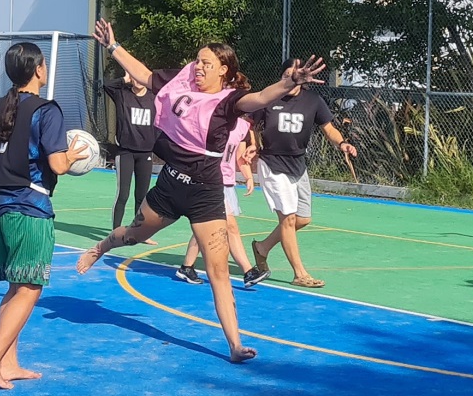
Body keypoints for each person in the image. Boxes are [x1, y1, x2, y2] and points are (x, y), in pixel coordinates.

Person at [75, 20, 326, 363]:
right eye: (197, 61)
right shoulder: (180, 83)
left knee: (219, 272)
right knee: (132, 235)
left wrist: (287, 83)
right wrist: (113, 47)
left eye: (207, 63)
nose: (199, 67)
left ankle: (235, 345)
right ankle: (102, 246)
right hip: (171, 185)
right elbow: (145, 75)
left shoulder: (229, 102)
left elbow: (260, 98)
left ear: (223, 70)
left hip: (206, 193)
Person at [0, 43, 88, 389]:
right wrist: (73, 156)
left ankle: (8, 362)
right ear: (39, 69)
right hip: (29, 207)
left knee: (15, 287)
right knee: (30, 287)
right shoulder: (47, 110)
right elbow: (56, 164)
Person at [249, 59, 357, 288]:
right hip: (272, 164)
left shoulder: (313, 101)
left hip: (298, 165)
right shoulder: (270, 99)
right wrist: (250, 145)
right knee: (287, 219)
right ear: (282, 78)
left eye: (295, 73)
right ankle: (300, 273)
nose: (291, 77)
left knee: (302, 219)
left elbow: (329, 128)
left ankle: (263, 247)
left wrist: (343, 144)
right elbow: (249, 125)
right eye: (286, 74)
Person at [176, 113, 269, 288]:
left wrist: (249, 177)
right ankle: (248, 271)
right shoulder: (211, 122)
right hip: (210, 181)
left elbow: (240, 156)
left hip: (227, 183)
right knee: (230, 226)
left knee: (206, 226)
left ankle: (186, 267)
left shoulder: (242, 127)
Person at [102, 71, 157, 245]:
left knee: (142, 196)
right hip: (125, 152)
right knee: (123, 194)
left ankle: (139, 233)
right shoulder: (122, 94)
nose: (138, 80)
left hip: (145, 153)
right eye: (134, 76)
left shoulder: (153, 98)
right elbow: (106, 85)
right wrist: (124, 78)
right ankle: (115, 232)